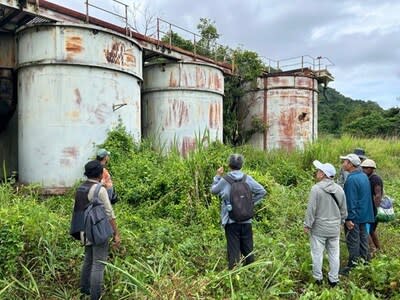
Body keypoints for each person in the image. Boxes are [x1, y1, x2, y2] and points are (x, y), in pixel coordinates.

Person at [70, 160, 121, 299]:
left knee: (88, 260)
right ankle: (95, 296)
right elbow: (109, 213)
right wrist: (116, 233)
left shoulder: (80, 188)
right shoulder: (100, 190)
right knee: (99, 264)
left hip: (83, 231)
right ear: (100, 174)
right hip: (97, 231)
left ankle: (84, 290)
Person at [210, 154, 266, 269]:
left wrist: (217, 176)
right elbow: (262, 191)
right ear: (242, 165)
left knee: (233, 251)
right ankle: (251, 274)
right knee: (248, 250)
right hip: (246, 220)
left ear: (229, 165)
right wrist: (250, 203)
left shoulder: (225, 179)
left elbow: (213, 190)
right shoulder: (247, 178)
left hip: (231, 221)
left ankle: (235, 276)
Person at [304, 160, 347, 287]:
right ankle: (333, 279)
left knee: (317, 253)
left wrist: (307, 224)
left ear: (323, 174)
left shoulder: (316, 189)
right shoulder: (339, 189)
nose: (317, 172)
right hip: (334, 228)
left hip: (319, 228)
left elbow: (311, 209)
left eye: (319, 171)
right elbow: (344, 210)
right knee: (334, 254)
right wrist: (341, 222)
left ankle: (318, 278)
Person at [339, 153, 374, 275]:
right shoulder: (363, 176)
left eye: (345, 161)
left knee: (353, 241)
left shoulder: (351, 180)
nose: (343, 164)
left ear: (350, 164)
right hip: (364, 215)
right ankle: (365, 262)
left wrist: (349, 219)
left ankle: (352, 266)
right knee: (363, 239)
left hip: (355, 216)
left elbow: (351, 200)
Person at [360, 158, 383, 254]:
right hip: (370, 208)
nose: (363, 170)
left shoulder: (375, 179)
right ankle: (378, 249)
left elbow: (378, 194)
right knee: (371, 230)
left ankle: (372, 248)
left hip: (372, 209)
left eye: (365, 168)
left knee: (365, 229)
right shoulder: (369, 178)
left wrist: (374, 209)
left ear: (370, 168)